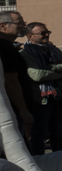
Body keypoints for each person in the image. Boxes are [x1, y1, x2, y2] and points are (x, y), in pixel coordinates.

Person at [20, 22, 62, 155]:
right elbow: (37, 75)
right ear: (29, 36)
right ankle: (41, 163)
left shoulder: (53, 49)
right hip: (40, 99)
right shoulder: (25, 53)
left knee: (58, 133)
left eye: (47, 32)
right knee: (38, 135)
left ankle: (60, 162)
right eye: (42, 33)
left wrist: (53, 68)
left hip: (58, 97)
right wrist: (61, 72)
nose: (47, 35)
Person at [0, 11, 36, 144]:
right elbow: (11, 81)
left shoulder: (8, 47)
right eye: (20, 23)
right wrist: (23, 109)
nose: (23, 26)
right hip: (12, 111)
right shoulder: (4, 48)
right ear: (3, 25)